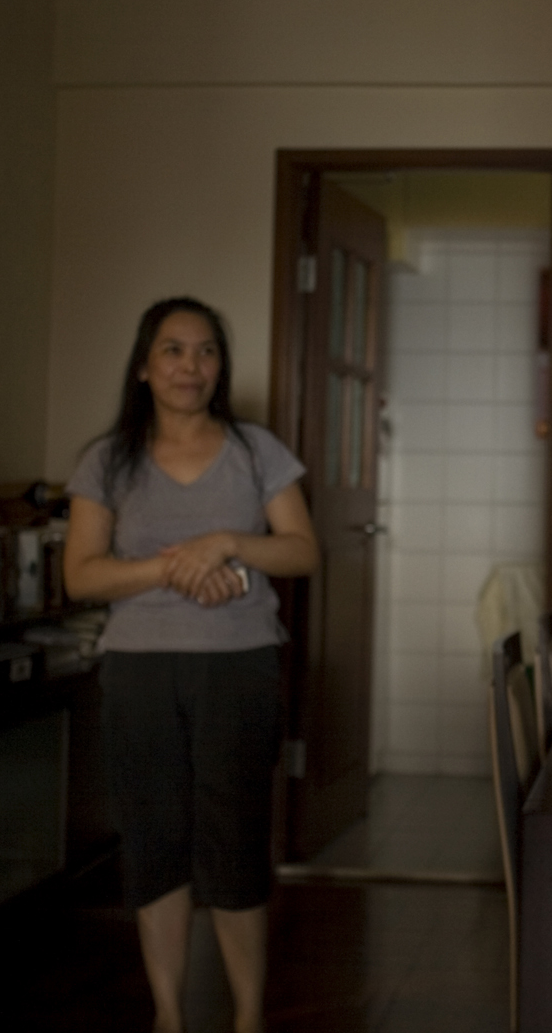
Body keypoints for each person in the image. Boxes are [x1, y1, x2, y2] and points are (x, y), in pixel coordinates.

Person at [66, 297, 318, 1033]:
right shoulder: (106, 460)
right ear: (144, 368)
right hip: (139, 671)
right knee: (154, 841)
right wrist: (174, 567)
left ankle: (248, 1018)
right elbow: (80, 576)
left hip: (238, 666)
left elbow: (302, 550)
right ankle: (169, 1017)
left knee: (235, 839)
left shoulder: (255, 451)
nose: (190, 366)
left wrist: (227, 545)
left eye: (206, 351)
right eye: (173, 351)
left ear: (220, 368)